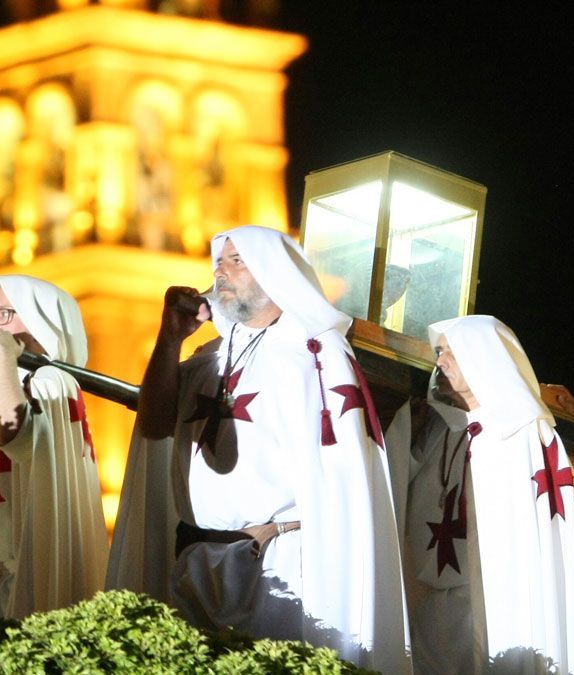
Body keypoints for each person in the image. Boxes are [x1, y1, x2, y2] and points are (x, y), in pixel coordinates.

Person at [106, 225, 410, 674]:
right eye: (219, 263)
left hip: (276, 564)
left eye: (236, 261)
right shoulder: (209, 355)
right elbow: (153, 427)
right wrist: (171, 338)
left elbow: (342, 473)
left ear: (275, 273)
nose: (219, 273)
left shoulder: (314, 352)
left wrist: (282, 529)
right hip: (197, 563)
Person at [385, 315, 574, 675]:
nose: (439, 362)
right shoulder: (442, 431)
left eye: (451, 352)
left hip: (504, 605)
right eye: (439, 352)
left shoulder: (525, 436)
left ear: (483, 357)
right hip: (437, 616)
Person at [0, 274, 108, 619]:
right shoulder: (22, 388)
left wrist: (5, 359)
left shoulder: (51, 383)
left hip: (33, 582)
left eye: (4, 314)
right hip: (5, 581)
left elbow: (13, 433)